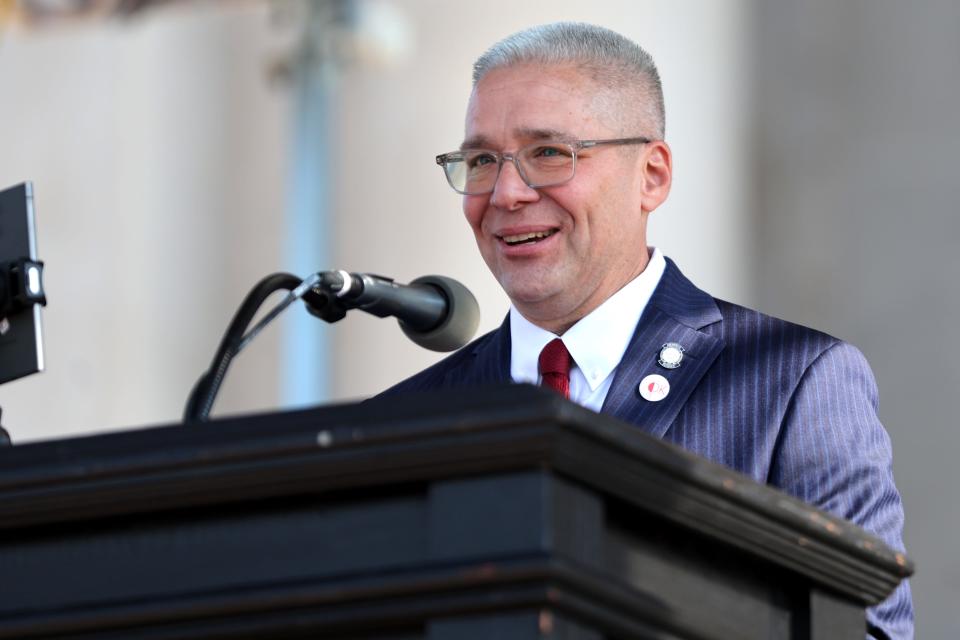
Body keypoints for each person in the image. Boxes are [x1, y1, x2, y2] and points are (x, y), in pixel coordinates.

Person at [383, 22, 912, 638]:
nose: (505, 193)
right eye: (480, 161)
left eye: (549, 154)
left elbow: (867, 631)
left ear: (652, 175)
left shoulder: (790, 382)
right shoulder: (407, 421)